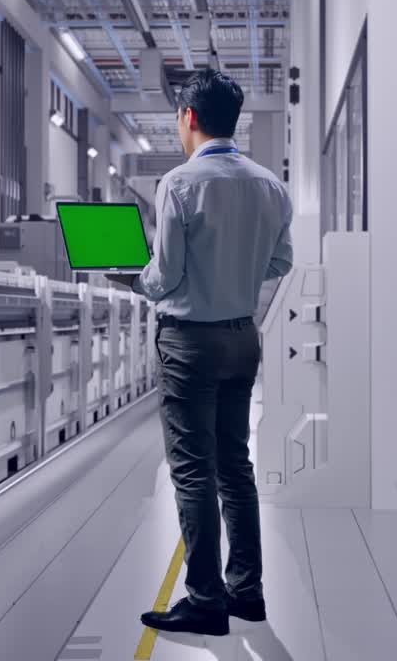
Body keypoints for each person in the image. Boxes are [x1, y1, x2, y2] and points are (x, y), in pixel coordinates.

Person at [106, 68, 293, 636]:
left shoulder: (179, 183)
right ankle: (248, 593)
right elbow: (281, 262)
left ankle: (206, 600)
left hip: (190, 343)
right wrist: (236, 273)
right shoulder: (270, 185)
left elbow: (164, 276)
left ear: (188, 117)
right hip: (241, 338)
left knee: (192, 472)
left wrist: (131, 279)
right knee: (235, 466)